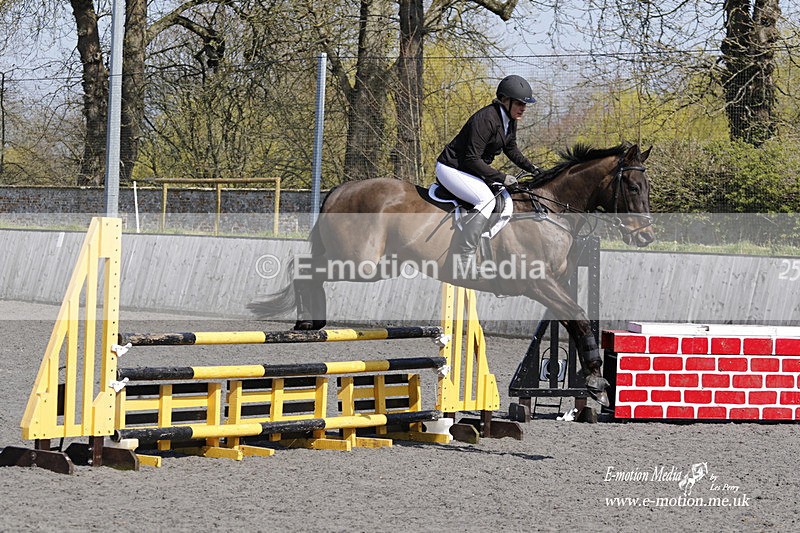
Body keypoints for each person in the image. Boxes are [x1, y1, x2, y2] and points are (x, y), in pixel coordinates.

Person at [436, 74, 542, 274]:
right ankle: (463, 260)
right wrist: (501, 177)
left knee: (506, 200)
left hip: (471, 171)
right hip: (452, 168)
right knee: (486, 200)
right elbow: (471, 158)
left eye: (525, 104)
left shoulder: (509, 120)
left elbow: (511, 149)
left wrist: (533, 168)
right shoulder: (486, 119)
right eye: (519, 103)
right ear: (505, 100)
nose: (523, 108)